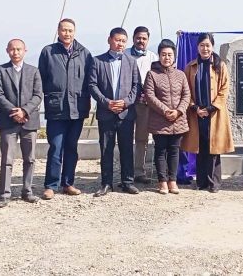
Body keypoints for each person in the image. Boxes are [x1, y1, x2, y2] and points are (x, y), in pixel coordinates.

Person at [38, 19, 93, 199]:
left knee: (71, 147)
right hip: (57, 109)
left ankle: (68, 183)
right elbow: (41, 80)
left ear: (75, 32)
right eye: (64, 30)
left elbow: (90, 81)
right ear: (58, 31)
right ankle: (50, 185)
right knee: (55, 147)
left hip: (77, 108)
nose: (67, 34)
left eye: (70, 30)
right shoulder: (48, 52)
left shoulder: (84, 53)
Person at [89, 28, 141, 196]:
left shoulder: (131, 61)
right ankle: (106, 183)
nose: (120, 44)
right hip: (106, 113)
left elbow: (136, 86)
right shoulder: (97, 61)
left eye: (123, 41)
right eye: (117, 40)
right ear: (109, 40)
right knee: (106, 149)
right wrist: (107, 103)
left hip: (126, 114)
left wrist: (125, 103)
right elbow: (92, 86)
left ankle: (127, 182)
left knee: (127, 148)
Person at [0, 39, 43, 208]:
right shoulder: (0, 70)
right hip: (8, 121)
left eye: (19, 49)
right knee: (7, 159)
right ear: (7, 51)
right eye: (12, 49)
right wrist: (14, 112)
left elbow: (38, 95)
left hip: (29, 120)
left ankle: (27, 190)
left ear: (25, 50)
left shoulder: (34, 71)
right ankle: (4, 194)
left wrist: (24, 111)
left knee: (30, 158)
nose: (16, 52)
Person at [183, 33, 234, 193]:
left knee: (214, 149)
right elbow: (186, 91)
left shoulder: (220, 65)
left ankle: (214, 182)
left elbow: (224, 89)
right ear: (197, 47)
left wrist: (211, 107)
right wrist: (195, 107)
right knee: (201, 148)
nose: (205, 48)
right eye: (202, 45)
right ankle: (201, 181)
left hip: (214, 114)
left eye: (208, 45)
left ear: (212, 46)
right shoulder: (191, 67)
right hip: (197, 113)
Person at [143, 39, 190, 194]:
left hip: (178, 120)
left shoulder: (181, 74)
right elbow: (149, 96)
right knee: (161, 151)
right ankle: (162, 181)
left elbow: (186, 95)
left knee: (175, 151)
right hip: (159, 120)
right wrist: (165, 111)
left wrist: (178, 111)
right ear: (159, 56)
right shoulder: (152, 74)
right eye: (163, 54)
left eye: (169, 55)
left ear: (174, 56)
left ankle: (173, 180)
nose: (167, 58)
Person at [129, 26, 159, 184]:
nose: (141, 41)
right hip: (126, 104)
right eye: (138, 38)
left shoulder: (154, 58)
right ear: (133, 38)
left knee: (141, 138)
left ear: (148, 40)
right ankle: (126, 171)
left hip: (144, 104)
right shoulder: (125, 55)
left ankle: (139, 172)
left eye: (144, 38)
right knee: (125, 138)